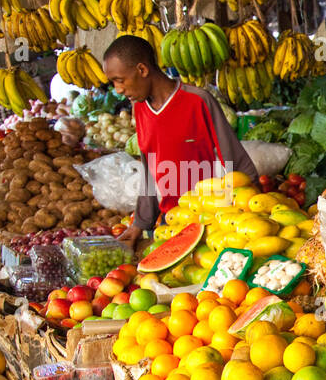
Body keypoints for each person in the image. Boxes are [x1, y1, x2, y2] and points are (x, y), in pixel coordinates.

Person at [103, 35, 257, 250]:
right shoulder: (139, 109)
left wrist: (255, 214)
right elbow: (149, 168)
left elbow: (236, 161)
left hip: (210, 222)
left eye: (119, 80)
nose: (117, 89)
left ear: (142, 70)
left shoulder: (198, 101)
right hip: (171, 222)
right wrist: (140, 222)